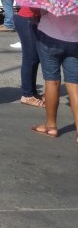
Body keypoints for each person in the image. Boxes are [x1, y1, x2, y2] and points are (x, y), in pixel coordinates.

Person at [31, 11, 78, 140]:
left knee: (52, 81)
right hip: (74, 39)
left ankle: (51, 127)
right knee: (74, 84)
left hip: (49, 35)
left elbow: (35, 9)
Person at [14, 7, 45, 107]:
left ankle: (32, 92)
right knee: (30, 58)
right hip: (27, 19)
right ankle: (27, 95)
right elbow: (34, 6)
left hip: (32, 19)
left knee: (35, 58)